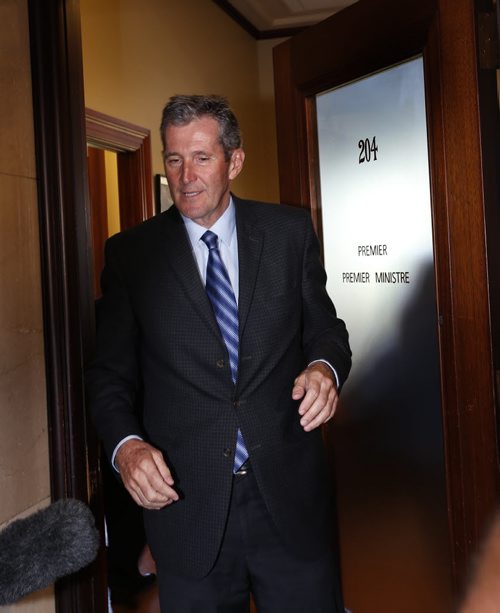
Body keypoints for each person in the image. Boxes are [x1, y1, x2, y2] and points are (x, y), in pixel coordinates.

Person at [86, 94, 351, 612]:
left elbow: (327, 329)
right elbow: (108, 377)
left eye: (202, 158)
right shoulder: (131, 255)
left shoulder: (288, 234)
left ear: (234, 161)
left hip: (289, 502)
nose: (186, 176)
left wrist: (325, 368)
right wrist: (127, 447)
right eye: (174, 158)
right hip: (188, 512)